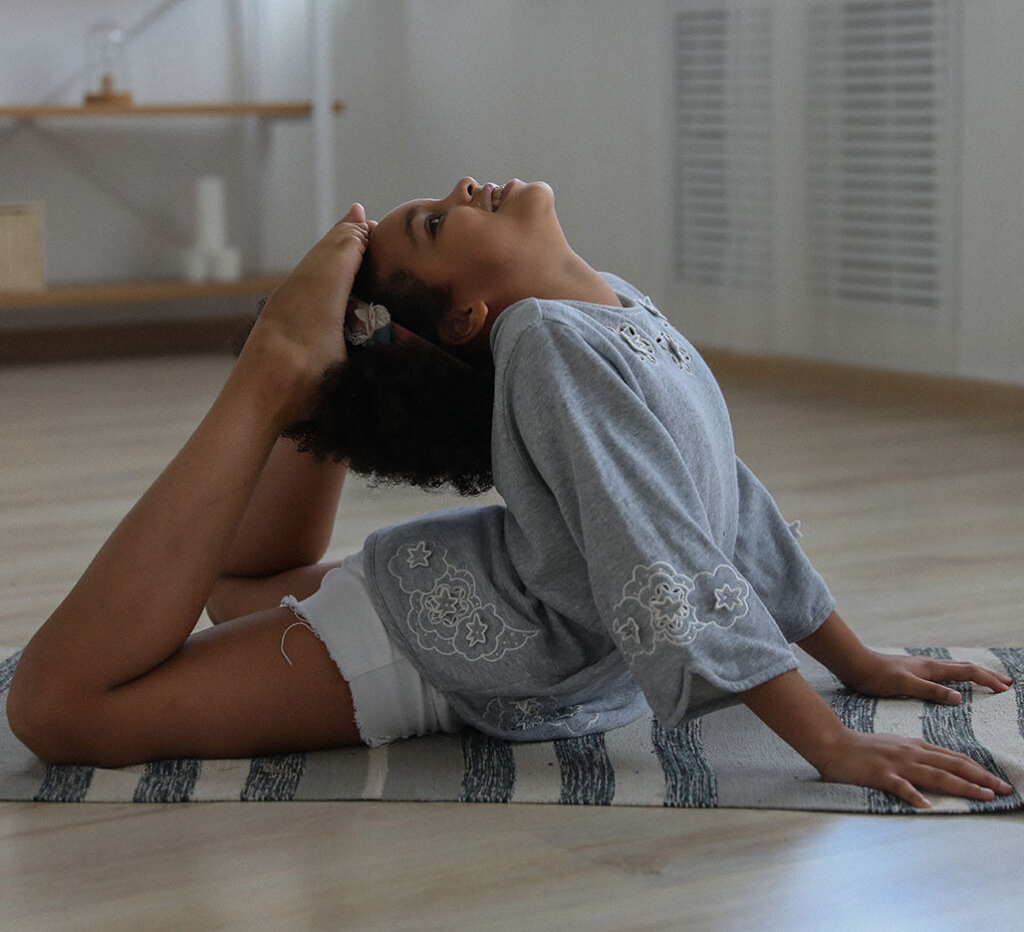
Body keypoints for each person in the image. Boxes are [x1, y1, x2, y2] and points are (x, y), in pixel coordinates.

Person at [6, 179, 1014, 811]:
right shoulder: (544, 341)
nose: (464, 184)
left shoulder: (617, 309)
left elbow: (720, 502)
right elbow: (658, 553)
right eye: (437, 223)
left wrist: (849, 656)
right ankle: (279, 367)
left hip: (491, 623)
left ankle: (310, 363)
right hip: (418, 638)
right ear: (471, 315)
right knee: (58, 708)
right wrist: (824, 738)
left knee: (207, 607)